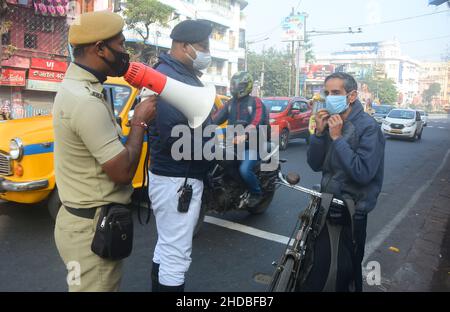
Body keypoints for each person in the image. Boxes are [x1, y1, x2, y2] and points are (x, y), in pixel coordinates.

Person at [53, 11, 156, 292]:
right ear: (99, 48)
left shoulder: (77, 88)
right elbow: (123, 172)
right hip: (91, 232)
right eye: (121, 45)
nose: (124, 53)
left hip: (77, 227)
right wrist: (139, 121)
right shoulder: (86, 102)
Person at [147, 19, 213, 292]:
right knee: (176, 257)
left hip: (175, 176)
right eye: (203, 46)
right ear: (185, 47)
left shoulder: (176, 74)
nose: (208, 52)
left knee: (166, 247)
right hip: (178, 178)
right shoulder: (169, 79)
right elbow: (176, 136)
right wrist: (214, 149)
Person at [305, 72, 385, 291]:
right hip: (327, 204)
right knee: (317, 267)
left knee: (345, 274)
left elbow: (363, 172)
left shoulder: (368, 127)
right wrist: (320, 134)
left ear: (351, 96)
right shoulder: (333, 120)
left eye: (336, 93)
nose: (330, 98)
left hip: (352, 212)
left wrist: (338, 138)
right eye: (327, 93)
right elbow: (314, 164)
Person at [212, 71, 268, 207]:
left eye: (239, 85)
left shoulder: (255, 102)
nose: (235, 88)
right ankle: (231, 186)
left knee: (244, 169)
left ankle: (256, 193)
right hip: (234, 143)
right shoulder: (230, 104)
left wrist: (246, 134)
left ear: (247, 86)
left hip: (253, 143)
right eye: (233, 85)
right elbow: (215, 119)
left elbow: (257, 120)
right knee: (219, 162)